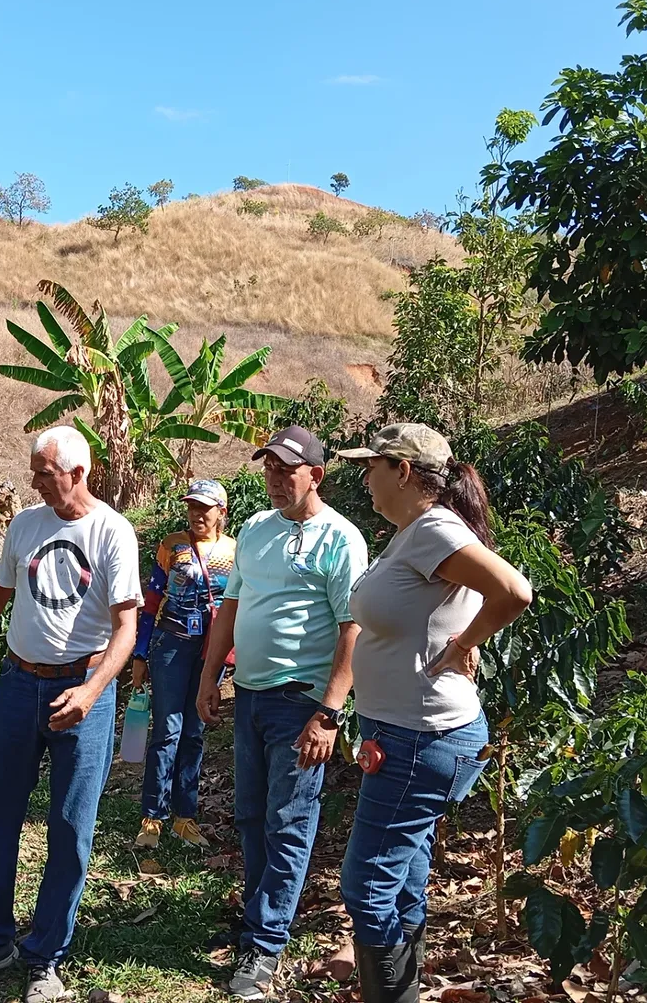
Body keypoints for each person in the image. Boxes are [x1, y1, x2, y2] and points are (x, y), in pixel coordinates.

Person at [0, 426, 141, 1003]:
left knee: (70, 827)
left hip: (81, 692)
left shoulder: (112, 532)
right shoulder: (25, 525)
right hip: (20, 686)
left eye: (44, 472)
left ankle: (45, 955)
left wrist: (93, 691)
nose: (35, 481)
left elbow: (127, 627)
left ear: (77, 472)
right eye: (34, 471)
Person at [335, 424, 532, 1003]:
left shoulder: (433, 531)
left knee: (367, 884)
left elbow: (514, 591)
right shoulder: (414, 534)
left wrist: (466, 643)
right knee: (402, 874)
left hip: (419, 737)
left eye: (372, 466)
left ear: (403, 470)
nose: (365, 478)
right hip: (406, 732)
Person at [197, 426, 369, 1001]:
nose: (274, 478)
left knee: (288, 821)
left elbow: (353, 628)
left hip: (301, 703)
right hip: (248, 694)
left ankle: (265, 946)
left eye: (286, 469)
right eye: (268, 467)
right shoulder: (254, 529)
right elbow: (231, 607)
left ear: (315, 475)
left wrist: (329, 713)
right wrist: (210, 677)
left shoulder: (342, 539)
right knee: (250, 816)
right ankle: (257, 918)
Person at [131, 479, 237, 851]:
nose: (197, 514)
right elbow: (151, 599)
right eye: (192, 507)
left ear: (221, 513)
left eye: (205, 508)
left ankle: (185, 817)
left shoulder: (235, 551)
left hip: (210, 649)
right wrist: (140, 653)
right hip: (171, 644)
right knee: (167, 731)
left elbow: (239, 604)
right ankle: (152, 817)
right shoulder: (172, 545)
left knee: (194, 731)